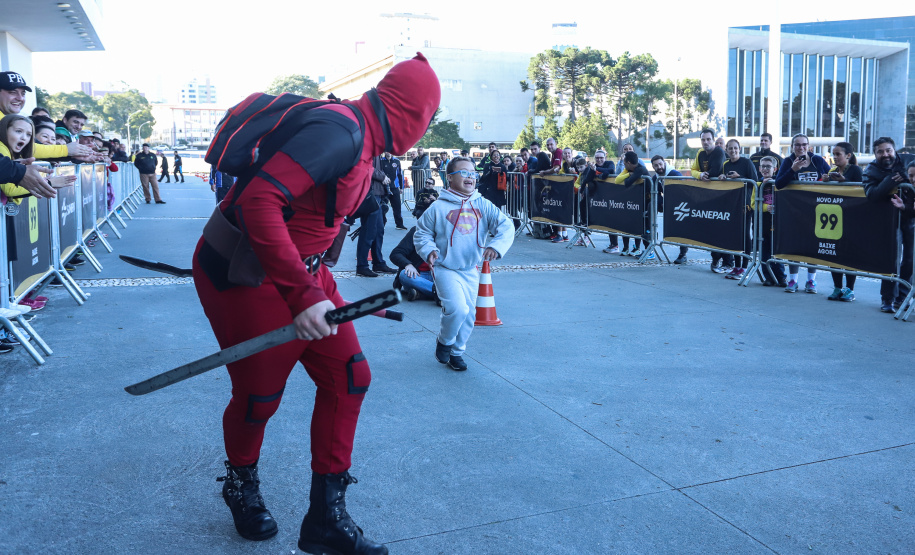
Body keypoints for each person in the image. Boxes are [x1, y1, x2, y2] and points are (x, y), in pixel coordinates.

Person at [191, 53, 439, 554]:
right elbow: (259, 200)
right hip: (247, 273)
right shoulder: (341, 132)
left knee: (349, 377)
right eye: (428, 116)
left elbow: (317, 199)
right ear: (410, 110)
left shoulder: (363, 138)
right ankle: (241, 485)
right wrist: (303, 297)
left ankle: (326, 517)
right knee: (260, 395)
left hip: (304, 271)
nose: (426, 127)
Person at [414, 156, 514, 371]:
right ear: (449, 178)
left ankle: (456, 353)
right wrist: (429, 250)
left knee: (470, 315)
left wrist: (496, 246)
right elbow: (421, 233)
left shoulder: (483, 204)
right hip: (445, 268)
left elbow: (506, 226)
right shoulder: (437, 208)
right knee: (457, 309)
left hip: (470, 269)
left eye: (473, 173)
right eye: (464, 173)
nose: (470, 177)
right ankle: (445, 341)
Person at [862, 137, 915, 313]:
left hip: (910, 217)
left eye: (888, 150)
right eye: (881, 151)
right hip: (889, 221)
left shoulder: (908, 160)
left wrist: (908, 177)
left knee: (910, 260)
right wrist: (890, 181)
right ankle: (887, 299)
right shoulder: (870, 170)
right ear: (875, 153)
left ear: (894, 150)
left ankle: (903, 298)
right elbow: (872, 195)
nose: (885, 154)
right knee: (891, 261)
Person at [775, 133, 829, 293]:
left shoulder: (817, 160)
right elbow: (778, 183)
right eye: (797, 145)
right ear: (792, 147)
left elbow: (830, 175)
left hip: (815, 210)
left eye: (804, 144)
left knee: (813, 246)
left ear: (808, 146)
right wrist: (793, 170)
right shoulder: (788, 161)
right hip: (794, 211)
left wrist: (827, 179)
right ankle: (792, 280)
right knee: (795, 245)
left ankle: (811, 281)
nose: (801, 147)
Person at [822, 142, 863, 301]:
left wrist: (843, 180)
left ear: (848, 155)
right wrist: (825, 181)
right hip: (835, 218)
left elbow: (860, 189)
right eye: (833, 154)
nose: (835, 157)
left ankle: (849, 289)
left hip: (851, 219)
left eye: (838, 154)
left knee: (849, 255)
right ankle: (837, 287)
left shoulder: (855, 170)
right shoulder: (832, 170)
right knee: (834, 253)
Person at [691, 128, 730, 272]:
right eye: (703, 139)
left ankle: (727, 262)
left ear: (713, 140)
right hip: (709, 197)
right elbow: (693, 169)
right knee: (712, 230)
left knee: (724, 230)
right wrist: (700, 175)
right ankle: (716, 260)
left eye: (708, 139)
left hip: (723, 196)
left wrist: (702, 175)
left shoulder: (719, 152)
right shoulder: (700, 153)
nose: (705, 142)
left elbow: (714, 171)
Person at [718, 139, 758, 280]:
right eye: (730, 148)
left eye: (735, 148)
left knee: (745, 235)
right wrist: (722, 177)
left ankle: (745, 266)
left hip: (746, 204)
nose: (733, 151)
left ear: (739, 149)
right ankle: (736, 266)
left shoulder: (746, 162)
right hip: (732, 205)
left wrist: (739, 177)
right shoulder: (726, 164)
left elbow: (755, 181)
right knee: (735, 236)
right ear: (727, 150)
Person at [390, 188, 439, 301]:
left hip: (439, 275)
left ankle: (421, 294)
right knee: (404, 275)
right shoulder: (416, 231)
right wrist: (408, 265)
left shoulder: (450, 233)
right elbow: (396, 254)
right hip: (419, 274)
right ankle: (441, 294)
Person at [615, 151, 652, 258]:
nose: (624, 165)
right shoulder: (630, 169)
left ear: (629, 162)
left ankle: (648, 250)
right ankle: (628, 248)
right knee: (629, 224)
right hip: (636, 202)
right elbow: (617, 180)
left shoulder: (640, 169)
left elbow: (627, 183)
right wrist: (628, 172)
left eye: (624, 163)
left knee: (645, 227)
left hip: (647, 202)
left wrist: (629, 174)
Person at [756, 156, 786, 287]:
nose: (765, 169)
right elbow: (753, 203)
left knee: (777, 251)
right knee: (764, 250)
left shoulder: (778, 184)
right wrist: (765, 207)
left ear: (775, 169)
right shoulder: (757, 184)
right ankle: (768, 277)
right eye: (763, 166)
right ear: (759, 168)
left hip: (777, 222)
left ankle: (781, 277)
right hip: (762, 222)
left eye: (768, 166)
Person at [651, 155, 686, 263]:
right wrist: (662, 202)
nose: (659, 167)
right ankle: (650, 237)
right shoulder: (656, 177)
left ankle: (683, 254)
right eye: (656, 165)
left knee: (682, 230)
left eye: (660, 164)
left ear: (664, 163)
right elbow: (654, 192)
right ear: (653, 167)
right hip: (670, 206)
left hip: (681, 206)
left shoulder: (674, 174)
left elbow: (683, 190)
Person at [379, 152, 405, 229]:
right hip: (384, 188)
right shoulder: (381, 160)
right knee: (382, 206)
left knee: (397, 206)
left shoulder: (397, 161)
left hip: (394, 187)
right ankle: (382, 223)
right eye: (387, 151)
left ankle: (399, 224)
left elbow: (400, 174)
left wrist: (401, 187)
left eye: (390, 151)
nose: (389, 153)